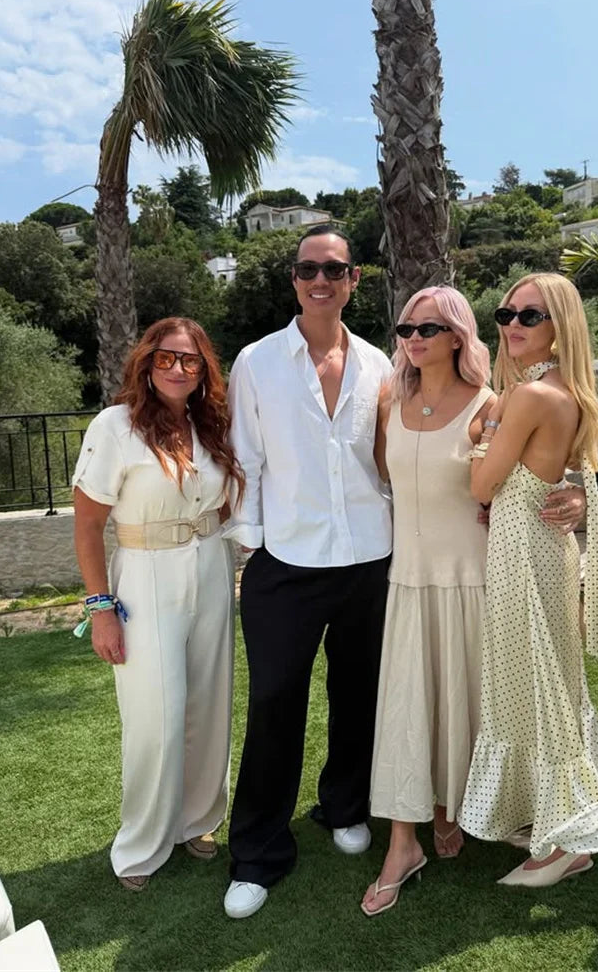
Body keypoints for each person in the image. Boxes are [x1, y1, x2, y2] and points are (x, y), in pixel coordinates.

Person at [221, 226, 393, 919]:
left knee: (359, 695)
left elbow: (388, 457)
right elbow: (246, 455)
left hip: (368, 558)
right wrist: (253, 541)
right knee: (273, 707)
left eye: (334, 269)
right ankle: (258, 853)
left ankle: (344, 806)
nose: (319, 279)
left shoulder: (382, 363)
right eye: (306, 269)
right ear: (293, 280)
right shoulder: (258, 361)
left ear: (354, 280)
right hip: (285, 562)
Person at [458, 272, 598, 887]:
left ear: (560, 328)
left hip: (524, 554)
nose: (512, 326)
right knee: (543, 681)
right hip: (545, 548)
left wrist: (486, 436)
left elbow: (481, 485)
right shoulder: (562, 391)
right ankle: (549, 814)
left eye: (530, 316)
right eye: (505, 314)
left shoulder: (530, 396)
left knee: (532, 685)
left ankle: (564, 840)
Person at [72, 317, 243, 892]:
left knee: (209, 702)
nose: (177, 369)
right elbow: (88, 524)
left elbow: (222, 504)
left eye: (190, 361)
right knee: (156, 715)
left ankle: (198, 821)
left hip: (211, 568)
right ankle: (141, 842)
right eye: (166, 358)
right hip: (143, 576)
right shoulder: (115, 426)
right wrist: (101, 608)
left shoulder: (208, 423)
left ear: (203, 370)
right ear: (147, 362)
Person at [360, 286, 496, 917]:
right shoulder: (391, 398)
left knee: (457, 699)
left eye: (430, 327)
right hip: (407, 582)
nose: (414, 337)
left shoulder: (491, 405)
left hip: (471, 579)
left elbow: (528, 480)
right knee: (409, 706)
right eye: (406, 325)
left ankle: (451, 807)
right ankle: (402, 842)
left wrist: (573, 497)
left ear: (458, 338)